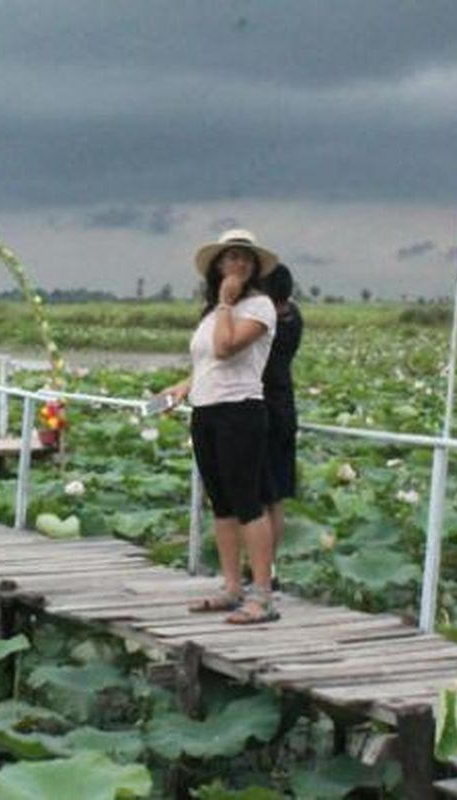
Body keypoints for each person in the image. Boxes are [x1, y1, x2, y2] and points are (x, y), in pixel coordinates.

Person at [161, 228, 279, 625]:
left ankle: (261, 594)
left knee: (248, 503)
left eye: (246, 258)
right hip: (207, 410)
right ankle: (231, 587)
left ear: (255, 268)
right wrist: (183, 386)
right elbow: (207, 362)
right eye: (231, 257)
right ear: (217, 265)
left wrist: (228, 303)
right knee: (222, 504)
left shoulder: (259, 307)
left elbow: (228, 347)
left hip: (241, 411)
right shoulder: (212, 312)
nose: (239, 263)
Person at [261, 264, 303, 580]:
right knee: (275, 498)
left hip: (261, 410)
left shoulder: (264, 323)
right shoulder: (294, 317)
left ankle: (260, 570)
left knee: (258, 497)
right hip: (285, 409)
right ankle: (269, 568)